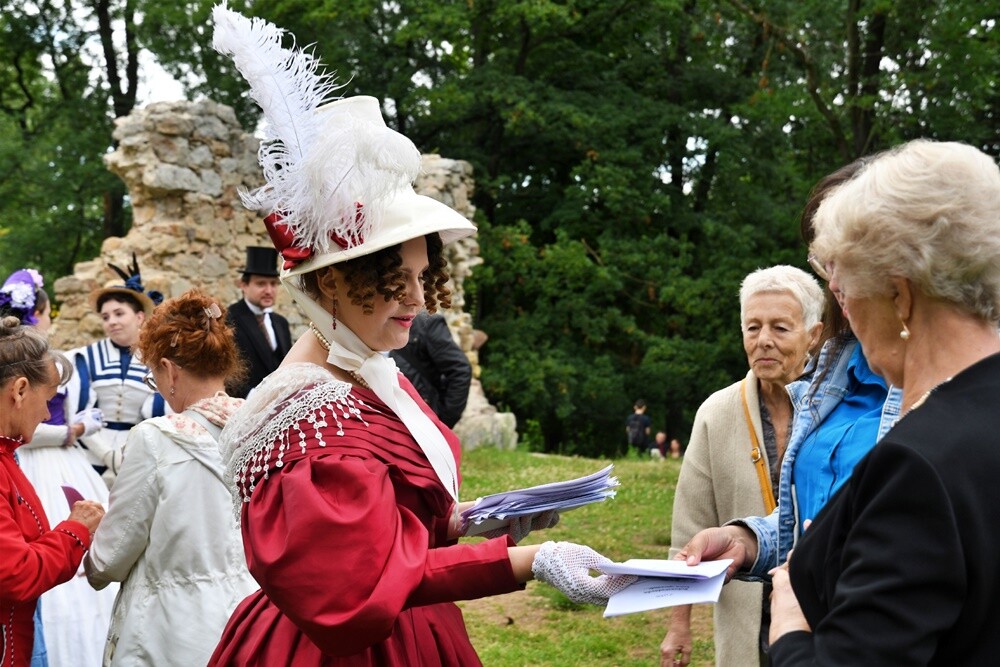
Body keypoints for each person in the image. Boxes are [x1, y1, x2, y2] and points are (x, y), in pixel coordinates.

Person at [208, 7, 636, 663]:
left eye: (418, 275)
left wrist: (467, 521)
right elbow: (356, 587)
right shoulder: (311, 421)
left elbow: (392, 525)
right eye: (390, 279)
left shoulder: (369, 377)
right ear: (326, 286)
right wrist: (526, 560)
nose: (415, 299)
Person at [759, 140, 1000, 663]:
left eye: (847, 291)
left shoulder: (919, 464)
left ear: (899, 295)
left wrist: (790, 628)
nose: (846, 315)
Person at [84, 290, 257, 666]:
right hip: (251, 620)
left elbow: (109, 561)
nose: (158, 386)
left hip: (170, 633)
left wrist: (90, 540)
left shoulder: (156, 438)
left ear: (170, 369)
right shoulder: (259, 429)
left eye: (153, 377)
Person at [662, 266, 823, 667]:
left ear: (814, 335)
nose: (764, 340)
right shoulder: (716, 413)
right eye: (753, 327)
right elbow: (689, 528)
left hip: (825, 620)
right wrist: (679, 625)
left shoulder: (840, 412)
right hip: (745, 626)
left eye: (781, 328)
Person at [1, 270, 117, 667]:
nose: (45, 413)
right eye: (46, 399)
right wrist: (76, 529)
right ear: (19, 391)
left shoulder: (8, 456)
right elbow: (16, 573)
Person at [71, 255, 167, 486]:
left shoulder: (157, 359)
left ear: (140, 316)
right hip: (90, 453)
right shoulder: (86, 357)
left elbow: (160, 414)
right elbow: (79, 411)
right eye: (105, 317)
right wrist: (106, 454)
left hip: (139, 455)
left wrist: (129, 455)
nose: (111, 322)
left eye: (119, 313)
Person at [226, 246, 292, 398]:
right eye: (261, 284)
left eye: (273, 284)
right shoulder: (229, 319)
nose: (269, 290)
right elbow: (225, 371)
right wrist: (254, 397)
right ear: (244, 285)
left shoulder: (281, 323)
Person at [389, 311, 472, 428]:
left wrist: (443, 421)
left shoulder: (425, 323)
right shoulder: (360, 327)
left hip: (420, 423)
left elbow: (460, 370)